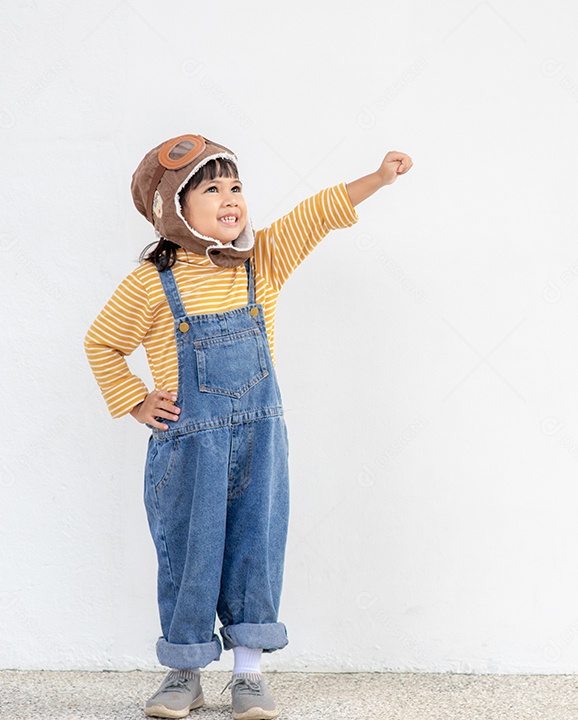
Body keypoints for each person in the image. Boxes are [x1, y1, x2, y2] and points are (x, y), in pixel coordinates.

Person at [84, 134, 412, 719]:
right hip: (189, 450)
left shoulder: (261, 264)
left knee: (254, 548)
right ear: (171, 209)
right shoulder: (150, 284)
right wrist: (135, 401)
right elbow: (102, 343)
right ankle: (184, 672)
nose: (230, 198)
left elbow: (316, 215)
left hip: (260, 444)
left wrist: (377, 179)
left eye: (235, 186)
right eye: (211, 188)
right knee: (190, 553)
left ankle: (249, 674)